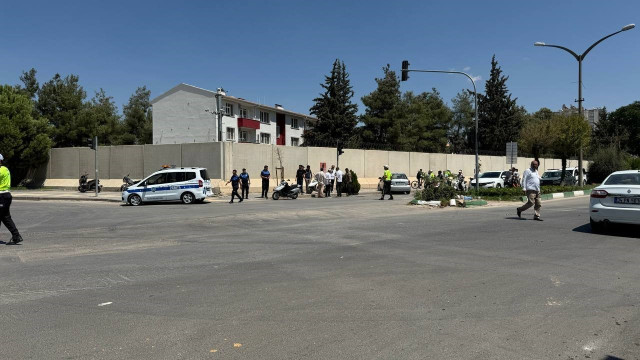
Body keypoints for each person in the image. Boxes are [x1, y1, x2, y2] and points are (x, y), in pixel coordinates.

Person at [0, 154, 23, 244]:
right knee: (5, 217)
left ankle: (16, 235)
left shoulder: (1, 170)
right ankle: (16, 236)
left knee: (4, 217)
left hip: (1, 196)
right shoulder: (5, 169)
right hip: (6, 196)